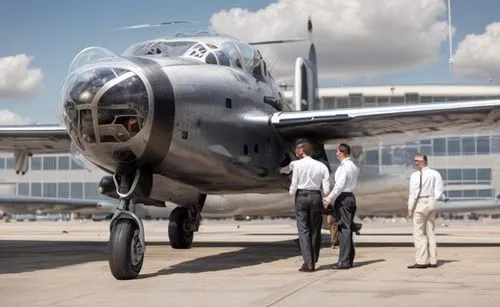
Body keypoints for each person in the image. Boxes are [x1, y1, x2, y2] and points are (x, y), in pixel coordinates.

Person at [286, 139, 330, 272]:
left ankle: (308, 263)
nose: (295, 151)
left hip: (301, 197)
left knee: (303, 230)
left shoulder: (297, 165)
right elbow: (326, 189)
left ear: (302, 150)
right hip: (316, 196)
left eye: (297, 149)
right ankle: (314, 258)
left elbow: (293, 186)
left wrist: (291, 192)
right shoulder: (321, 166)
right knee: (315, 230)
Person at [323, 143, 359, 269]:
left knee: (344, 229)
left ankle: (344, 261)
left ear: (343, 152)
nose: (336, 153)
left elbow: (339, 185)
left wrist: (329, 198)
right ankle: (348, 259)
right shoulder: (353, 166)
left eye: (337, 151)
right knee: (346, 229)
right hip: (350, 197)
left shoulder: (345, 167)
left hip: (343, 198)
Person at [407, 153, 444, 269]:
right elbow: (439, 189)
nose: (415, 163)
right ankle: (433, 261)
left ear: (422, 161)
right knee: (431, 232)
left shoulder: (415, 175)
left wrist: (410, 208)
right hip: (432, 202)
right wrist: (433, 198)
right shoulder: (435, 173)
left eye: (416, 161)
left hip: (421, 203)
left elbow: (413, 193)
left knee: (419, 233)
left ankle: (421, 261)